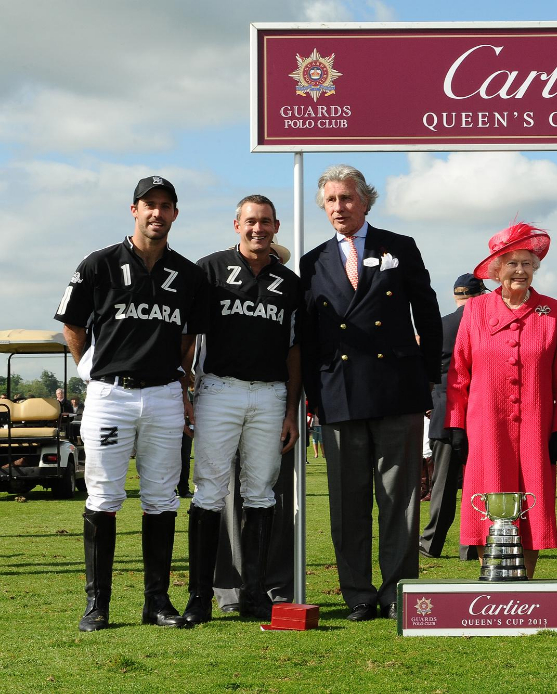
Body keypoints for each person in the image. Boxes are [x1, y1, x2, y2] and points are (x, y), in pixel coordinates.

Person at [55, 176, 208, 631]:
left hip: (163, 396)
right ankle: (97, 604)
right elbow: (72, 325)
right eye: (149, 204)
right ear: (134, 209)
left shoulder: (188, 274)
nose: (157, 213)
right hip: (110, 396)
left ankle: (156, 603)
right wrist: (89, 371)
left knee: (162, 497)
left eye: (165, 205)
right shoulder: (99, 263)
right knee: (104, 496)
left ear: (175, 213)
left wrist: (181, 380)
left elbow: (189, 336)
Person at [300, 164, 441, 622]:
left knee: (399, 499)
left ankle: (398, 589)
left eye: (346, 198)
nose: (339, 207)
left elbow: (427, 312)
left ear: (365, 200)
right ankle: (358, 593)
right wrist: (312, 395)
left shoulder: (400, 247)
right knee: (348, 501)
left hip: (397, 388)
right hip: (338, 392)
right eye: (331, 200)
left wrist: (428, 376)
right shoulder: (312, 262)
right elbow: (308, 336)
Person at [180, 194, 302, 625]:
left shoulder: (289, 282)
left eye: (266, 222)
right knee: (209, 491)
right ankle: (199, 595)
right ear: (237, 225)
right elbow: (187, 334)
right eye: (251, 221)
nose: (258, 229)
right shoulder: (209, 269)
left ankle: (254, 593)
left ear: (276, 227)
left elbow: (294, 349)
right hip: (219, 389)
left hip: (270, 394)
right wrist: (183, 387)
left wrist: (292, 409)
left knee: (261, 493)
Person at [446, 225, 557, 577]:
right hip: (486, 428)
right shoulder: (475, 311)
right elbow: (458, 372)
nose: (520, 270)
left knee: (534, 502)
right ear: (496, 269)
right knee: (487, 499)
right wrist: (455, 424)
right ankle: (492, 580)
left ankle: (525, 583)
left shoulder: (555, 311)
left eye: (527, 263)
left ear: (536, 268)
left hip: (536, 428)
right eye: (512, 263)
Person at [420, 273, 487, 559]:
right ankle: (471, 544)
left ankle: (431, 543)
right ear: (480, 295)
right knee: (477, 482)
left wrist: (430, 402)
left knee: (442, 485)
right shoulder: (485, 324)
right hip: (479, 410)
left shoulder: (440, 325)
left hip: (444, 410)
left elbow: (425, 368)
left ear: (455, 295)